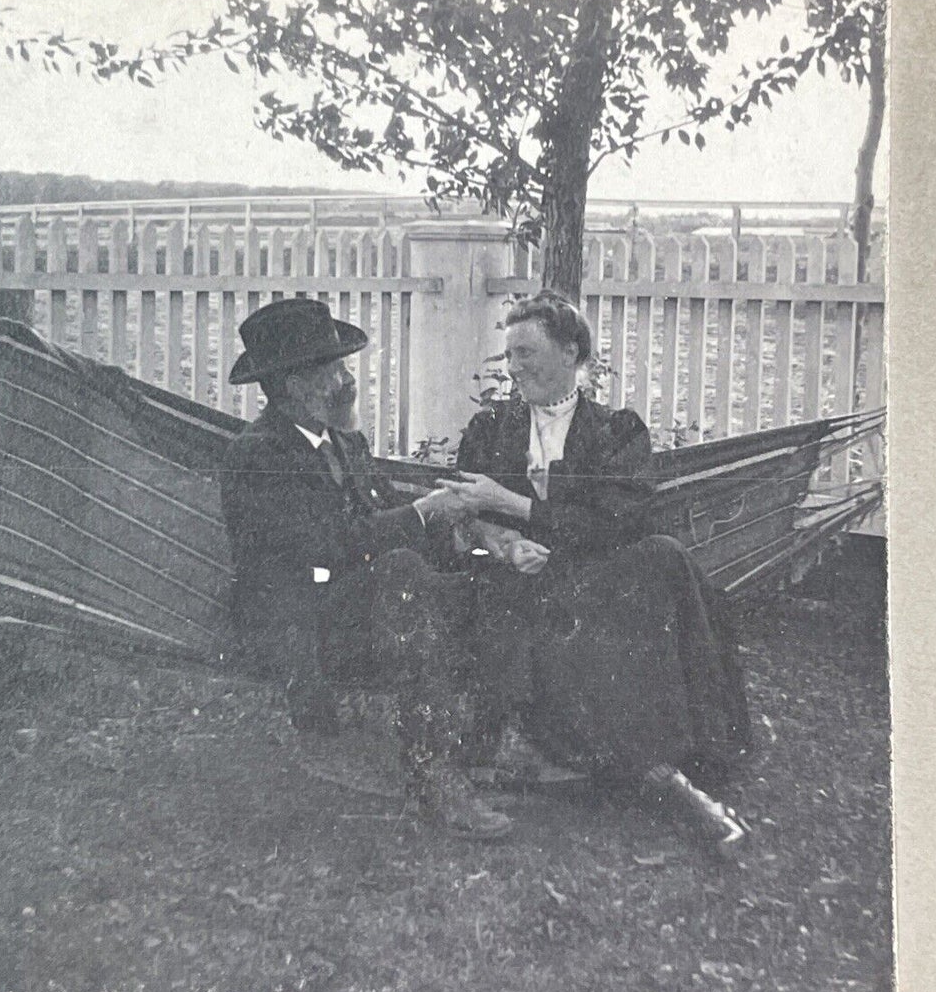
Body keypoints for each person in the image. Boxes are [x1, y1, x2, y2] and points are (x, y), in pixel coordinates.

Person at [446, 289, 753, 854]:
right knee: (528, 604)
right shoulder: (491, 427)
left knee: (660, 557)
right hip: (517, 583)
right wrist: (505, 542)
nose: (515, 369)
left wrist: (517, 507)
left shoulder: (615, 432)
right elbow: (466, 513)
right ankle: (663, 779)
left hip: (596, 577)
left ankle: (676, 754)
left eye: (528, 354)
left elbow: (616, 523)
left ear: (571, 353)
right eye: (509, 356)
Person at [218, 296, 511, 841]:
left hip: (358, 609)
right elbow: (330, 545)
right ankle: (435, 780)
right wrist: (423, 514)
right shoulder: (258, 456)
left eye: (345, 365)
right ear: (291, 387)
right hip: (294, 627)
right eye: (332, 370)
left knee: (481, 578)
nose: (347, 381)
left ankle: (474, 754)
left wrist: (468, 536)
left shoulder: (345, 442)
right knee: (401, 571)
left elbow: (375, 520)